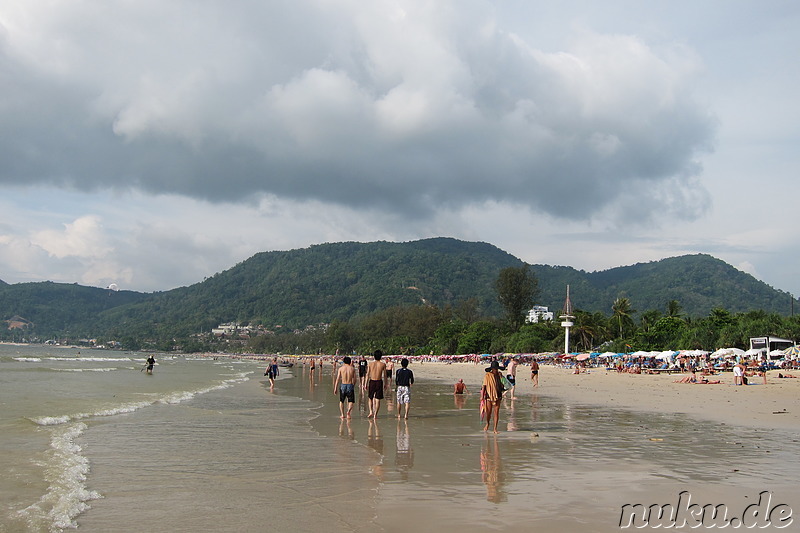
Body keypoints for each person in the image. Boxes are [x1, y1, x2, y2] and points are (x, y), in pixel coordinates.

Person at [481, 361, 503, 433]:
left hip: (498, 395)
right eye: (494, 369)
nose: (496, 370)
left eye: (497, 369)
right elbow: (484, 386)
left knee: (496, 412)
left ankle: (495, 429)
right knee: (489, 412)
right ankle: (487, 423)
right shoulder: (487, 376)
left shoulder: (500, 375)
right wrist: (482, 396)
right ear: (492, 369)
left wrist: (501, 378)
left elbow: (503, 385)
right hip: (489, 395)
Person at [366, 350, 387, 418]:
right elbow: (385, 376)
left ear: (374, 356)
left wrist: (365, 383)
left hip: (372, 381)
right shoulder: (383, 364)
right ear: (381, 356)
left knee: (370, 398)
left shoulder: (370, 364)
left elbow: (367, 374)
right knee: (377, 399)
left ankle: (371, 411)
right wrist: (386, 384)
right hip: (379, 381)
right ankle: (375, 414)